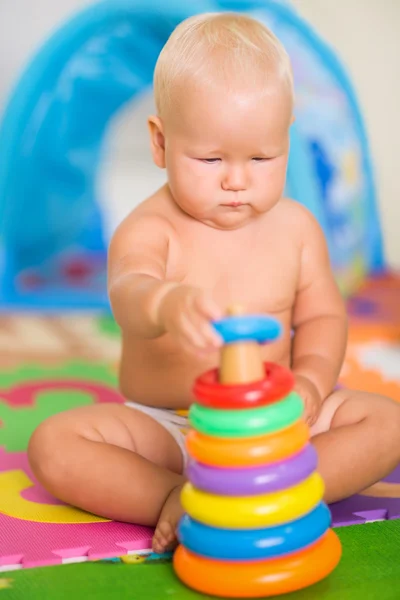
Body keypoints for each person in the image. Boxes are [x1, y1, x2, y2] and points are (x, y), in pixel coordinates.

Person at [28, 12, 400, 555]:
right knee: (54, 446)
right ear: (160, 144)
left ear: (285, 139)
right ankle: (181, 496)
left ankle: (284, 489)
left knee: (387, 422)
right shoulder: (150, 228)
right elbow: (128, 294)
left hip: (275, 425)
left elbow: (321, 317)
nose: (236, 179)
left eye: (262, 157)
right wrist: (163, 302)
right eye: (209, 158)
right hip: (170, 427)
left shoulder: (297, 229)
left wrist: (313, 385)